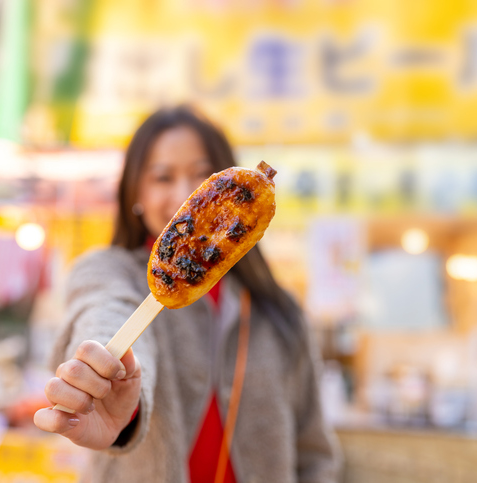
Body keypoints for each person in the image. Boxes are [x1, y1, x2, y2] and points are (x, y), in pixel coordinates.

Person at [34, 106, 340, 482]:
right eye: (163, 177)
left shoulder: (280, 311)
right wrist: (107, 383)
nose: (183, 195)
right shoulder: (109, 272)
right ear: (135, 192)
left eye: (201, 175)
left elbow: (314, 452)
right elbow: (103, 312)